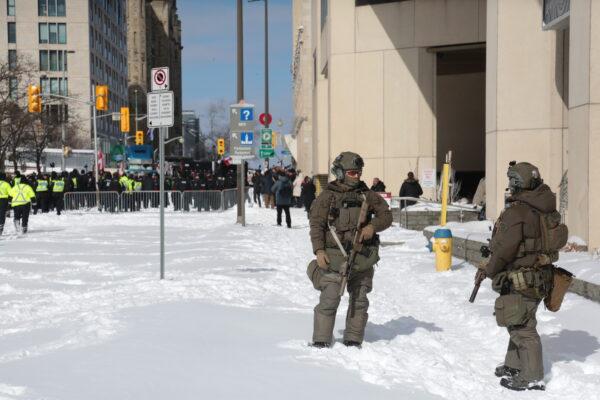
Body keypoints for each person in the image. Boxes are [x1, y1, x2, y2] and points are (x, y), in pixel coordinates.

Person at [480, 161, 566, 391]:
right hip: (542, 275)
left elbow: (503, 249)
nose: (509, 185)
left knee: (522, 328)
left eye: (512, 180)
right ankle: (513, 364)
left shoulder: (517, 211)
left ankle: (531, 376)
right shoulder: (545, 207)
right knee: (518, 318)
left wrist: (489, 269)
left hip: (522, 277)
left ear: (519, 183)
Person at [307, 151, 392, 348]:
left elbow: (386, 216)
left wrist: (372, 227)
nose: (357, 176)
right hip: (334, 258)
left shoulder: (368, 195)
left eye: (359, 172)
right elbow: (316, 225)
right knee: (329, 299)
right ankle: (321, 340)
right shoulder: (327, 196)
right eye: (352, 172)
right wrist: (319, 250)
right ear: (341, 172)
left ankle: (353, 340)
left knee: (360, 301)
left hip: (362, 258)